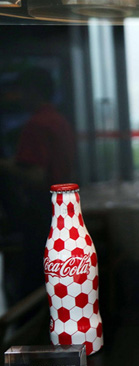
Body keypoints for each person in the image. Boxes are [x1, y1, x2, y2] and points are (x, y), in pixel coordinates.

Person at [0, 67, 75, 305]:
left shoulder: (35, 124)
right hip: (63, 209)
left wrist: (3, 166)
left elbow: (37, 176)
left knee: (32, 284)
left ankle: (25, 336)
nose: (17, 97)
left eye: (20, 91)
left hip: (41, 212)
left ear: (32, 91)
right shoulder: (59, 121)